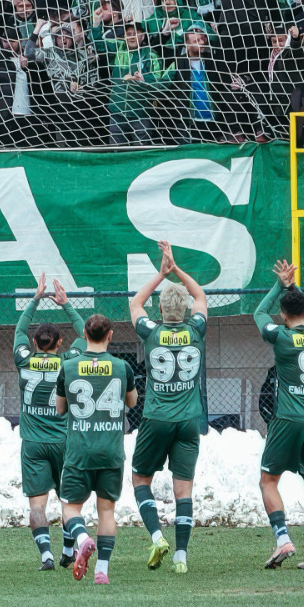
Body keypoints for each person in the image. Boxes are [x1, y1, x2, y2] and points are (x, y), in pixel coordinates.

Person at [128, 240, 209, 574]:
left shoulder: (152, 332)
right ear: (186, 310)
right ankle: (181, 556)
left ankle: (157, 535)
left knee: (139, 478)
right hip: (189, 419)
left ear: (161, 312)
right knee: (183, 489)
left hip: (156, 417)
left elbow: (135, 303)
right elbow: (201, 296)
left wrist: (160, 275)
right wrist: (176, 269)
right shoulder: (196, 329)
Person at [253, 259, 304, 570]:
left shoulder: (282, 337)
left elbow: (259, 313)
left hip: (287, 419)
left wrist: (280, 286)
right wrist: (294, 287)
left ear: (284, 317)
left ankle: (283, 538)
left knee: (268, 480)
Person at [56, 314, 138, 585]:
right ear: (111, 335)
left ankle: (81, 538)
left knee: (70, 509)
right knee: (106, 511)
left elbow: (60, 408)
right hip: (110, 451)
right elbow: (133, 402)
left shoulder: (68, 366)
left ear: (83, 333)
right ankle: (101, 570)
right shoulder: (122, 366)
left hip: (79, 450)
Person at [13, 273, 85, 571]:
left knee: (37, 506)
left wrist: (34, 299)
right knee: (69, 501)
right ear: (60, 342)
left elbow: (18, 330)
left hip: (34, 444)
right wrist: (67, 305)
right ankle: (70, 546)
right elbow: (86, 334)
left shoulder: (24, 359)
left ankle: (47, 556)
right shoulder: (69, 361)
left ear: (34, 342)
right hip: (65, 442)